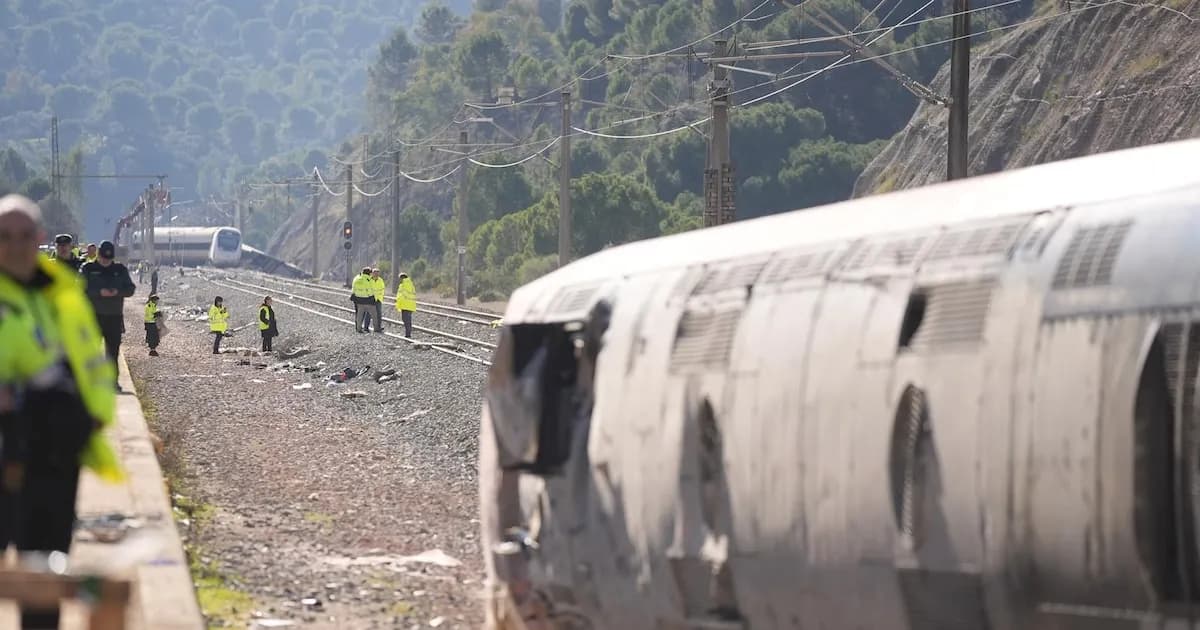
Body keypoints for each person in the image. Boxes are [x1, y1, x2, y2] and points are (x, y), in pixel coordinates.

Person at [0, 194, 123, 628]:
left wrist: (94, 416)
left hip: (54, 449)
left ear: (40, 240)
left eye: (23, 236)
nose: (14, 245)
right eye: (4, 237)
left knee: (43, 568)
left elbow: (91, 359)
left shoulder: (62, 292)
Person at [80, 241, 136, 388]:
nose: (106, 262)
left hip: (114, 317)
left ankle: (112, 381)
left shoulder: (120, 270)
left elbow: (130, 289)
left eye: (109, 259)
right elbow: (80, 289)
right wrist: (99, 293)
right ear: (98, 255)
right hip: (93, 316)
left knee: (113, 352)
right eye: (104, 258)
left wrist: (118, 292)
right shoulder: (88, 269)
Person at [350, 267, 374, 333]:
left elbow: (353, 288)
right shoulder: (367, 279)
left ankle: (358, 327)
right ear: (369, 273)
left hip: (356, 298)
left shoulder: (356, 278)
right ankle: (364, 328)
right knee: (365, 313)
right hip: (365, 298)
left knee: (358, 313)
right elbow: (369, 290)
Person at [394, 272, 417, 339]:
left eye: (400, 279)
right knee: (407, 320)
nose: (399, 280)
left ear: (402, 278)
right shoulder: (410, 284)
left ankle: (408, 334)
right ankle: (408, 333)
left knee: (406, 320)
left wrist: (398, 302)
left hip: (406, 305)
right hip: (409, 305)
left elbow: (402, 295)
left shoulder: (404, 285)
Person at [370, 268, 385, 333]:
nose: (376, 274)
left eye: (377, 273)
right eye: (375, 273)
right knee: (369, 314)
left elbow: (382, 289)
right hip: (371, 299)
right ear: (372, 273)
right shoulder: (369, 280)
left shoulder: (380, 280)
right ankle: (366, 327)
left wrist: (380, 297)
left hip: (378, 299)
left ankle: (378, 327)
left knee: (378, 314)